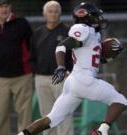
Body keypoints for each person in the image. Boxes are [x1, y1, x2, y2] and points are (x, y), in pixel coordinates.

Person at [17, 2, 127, 135]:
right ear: (85, 17)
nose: (98, 18)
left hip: (74, 83)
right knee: (120, 101)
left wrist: (111, 57)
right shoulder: (83, 29)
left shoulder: (94, 34)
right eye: (95, 16)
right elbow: (62, 46)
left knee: (51, 119)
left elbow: (95, 60)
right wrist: (61, 67)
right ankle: (101, 132)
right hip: (84, 80)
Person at [0, 0, 33, 135]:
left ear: (10, 7)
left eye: (7, 6)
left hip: (22, 76)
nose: (4, 9)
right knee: (1, 113)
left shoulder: (22, 23)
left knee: (24, 113)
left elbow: (31, 45)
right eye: (1, 6)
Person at [30, 1, 74, 135]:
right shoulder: (37, 33)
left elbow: (74, 54)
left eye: (56, 11)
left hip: (62, 79)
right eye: (50, 11)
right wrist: (36, 73)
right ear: (44, 14)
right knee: (47, 114)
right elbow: (32, 55)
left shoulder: (68, 32)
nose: (53, 14)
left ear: (60, 13)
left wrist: (70, 72)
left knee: (64, 113)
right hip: (42, 79)